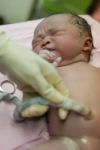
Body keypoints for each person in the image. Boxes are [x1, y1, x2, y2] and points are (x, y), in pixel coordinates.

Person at [30, 13, 100, 150]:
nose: (44, 41)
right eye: (36, 41)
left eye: (55, 33)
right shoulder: (47, 74)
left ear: (86, 44)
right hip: (74, 143)